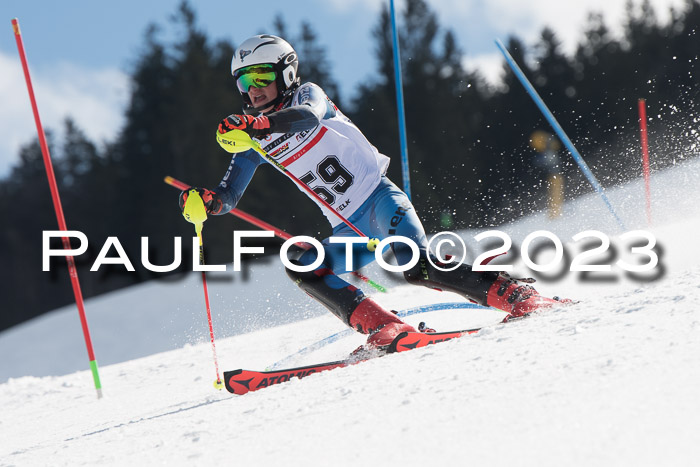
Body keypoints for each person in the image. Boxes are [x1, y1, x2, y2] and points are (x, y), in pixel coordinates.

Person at [180, 34, 569, 353]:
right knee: (300, 262)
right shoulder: (254, 141)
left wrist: (258, 124)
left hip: (380, 199)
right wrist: (207, 202)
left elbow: (307, 119)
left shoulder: (306, 97)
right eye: (244, 83)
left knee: (413, 266)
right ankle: (382, 328)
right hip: (350, 228)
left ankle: (514, 294)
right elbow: (228, 196)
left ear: (287, 72)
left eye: (262, 76)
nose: (254, 89)